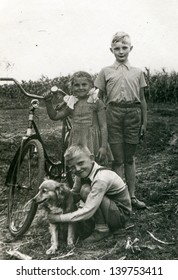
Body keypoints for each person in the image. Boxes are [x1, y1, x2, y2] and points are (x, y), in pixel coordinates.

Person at [94, 32, 147, 209]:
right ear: (111, 50)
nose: (121, 51)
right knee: (117, 159)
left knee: (129, 158)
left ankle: (131, 196)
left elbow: (142, 99)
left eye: (124, 48)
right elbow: (97, 97)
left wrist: (144, 122)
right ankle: (120, 198)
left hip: (133, 114)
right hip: (113, 113)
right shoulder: (105, 72)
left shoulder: (138, 72)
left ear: (130, 48)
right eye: (117, 48)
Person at [48, 145, 132, 243]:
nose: (77, 169)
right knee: (83, 190)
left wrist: (59, 218)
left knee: (85, 190)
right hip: (110, 208)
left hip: (121, 214)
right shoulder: (83, 173)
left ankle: (101, 229)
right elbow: (73, 194)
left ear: (91, 158)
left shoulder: (101, 178)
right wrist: (56, 196)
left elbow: (88, 211)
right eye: (72, 167)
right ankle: (100, 223)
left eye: (80, 163)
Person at [43, 71, 111, 164]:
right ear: (72, 87)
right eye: (77, 85)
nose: (80, 88)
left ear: (91, 86)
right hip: (77, 140)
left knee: (94, 167)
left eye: (84, 84)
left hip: (93, 141)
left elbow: (103, 126)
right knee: (79, 167)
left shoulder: (96, 102)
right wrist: (48, 103)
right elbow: (55, 116)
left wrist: (103, 147)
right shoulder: (72, 102)